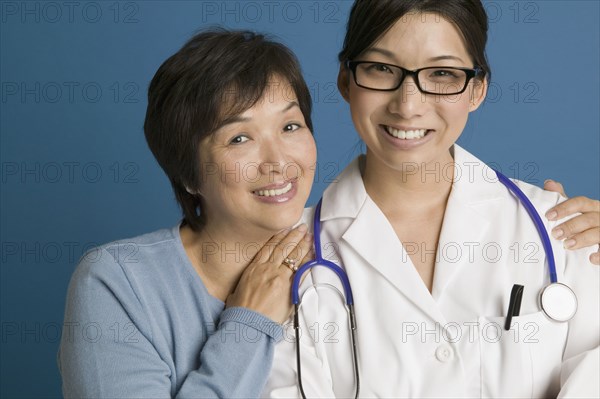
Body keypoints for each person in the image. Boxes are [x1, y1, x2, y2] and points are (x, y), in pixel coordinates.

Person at [264, 1, 599, 397]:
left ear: (477, 90)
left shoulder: (560, 230)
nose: (408, 105)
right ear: (345, 81)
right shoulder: (286, 260)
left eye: (441, 73)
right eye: (382, 69)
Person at [58, 29, 317, 397]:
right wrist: (250, 324)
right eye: (239, 138)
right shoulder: (117, 282)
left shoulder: (344, 252)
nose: (278, 162)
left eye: (290, 126)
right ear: (188, 174)